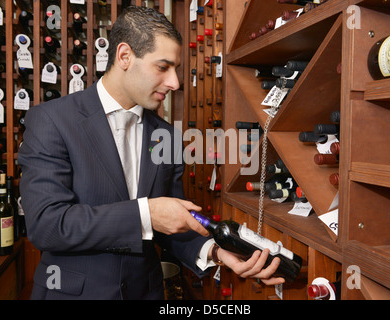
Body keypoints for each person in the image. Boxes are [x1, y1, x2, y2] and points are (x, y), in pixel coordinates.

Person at [18, 5, 284, 300]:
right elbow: (46, 225)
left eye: (177, 70)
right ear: (124, 56)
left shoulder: (166, 135)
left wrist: (217, 253)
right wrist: (146, 213)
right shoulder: (52, 120)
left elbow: (172, 227)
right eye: (163, 67)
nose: (175, 83)